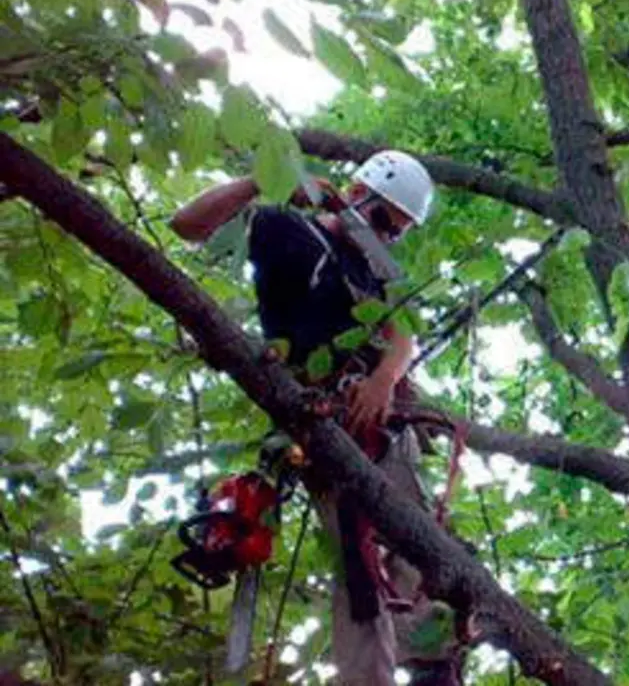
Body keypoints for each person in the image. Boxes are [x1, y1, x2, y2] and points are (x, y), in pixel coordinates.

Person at [171, 151, 447, 685]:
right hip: (319, 420)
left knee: (420, 551)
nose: (386, 237)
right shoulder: (286, 229)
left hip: (380, 426)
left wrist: (384, 380)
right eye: (384, 220)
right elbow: (188, 226)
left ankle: (431, 663)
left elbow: (402, 338)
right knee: (359, 563)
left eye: (397, 232)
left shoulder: (373, 273)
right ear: (359, 193)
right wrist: (263, 180)